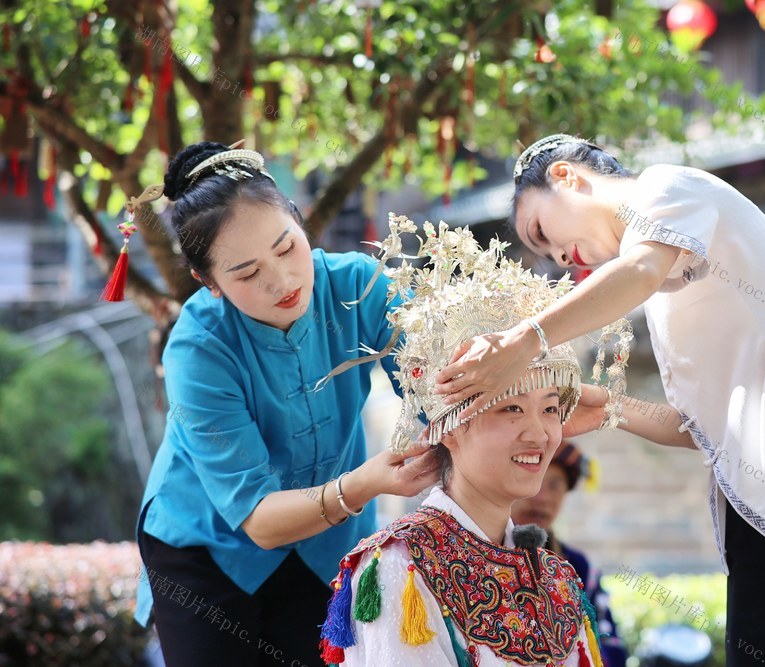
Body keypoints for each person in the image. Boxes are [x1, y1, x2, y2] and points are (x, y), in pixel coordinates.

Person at [433, 135, 765, 667]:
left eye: (542, 232)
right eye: (548, 256)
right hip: (753, 509)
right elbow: (701, 426)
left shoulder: (669, 188)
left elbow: (639, 271)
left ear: (565, 177)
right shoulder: (661, 288)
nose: (559, 258)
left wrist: (522, 340)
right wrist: (608, 409)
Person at [132, 142, 439, 667]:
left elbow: (437, 393)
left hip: (328, 544)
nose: (281, 280)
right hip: (208, 549)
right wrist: (368, 482)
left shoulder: (361, 286)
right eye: (247, 274)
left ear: (299, 222)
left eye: (287, 247)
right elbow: (260, 519)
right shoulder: (198, 346)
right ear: (208, 284)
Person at [317, 216, 610, 666]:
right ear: (448, 426)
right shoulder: (400, 565)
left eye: (550, 408)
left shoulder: (555, 573)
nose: (538, 432)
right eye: (511, 408)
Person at [512, 440, 629, 667]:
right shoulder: (483, 553)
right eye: (532, 481)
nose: (542, 497)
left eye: (555, 485)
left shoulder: (579, 566)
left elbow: (611, 644)